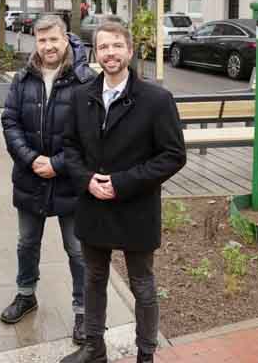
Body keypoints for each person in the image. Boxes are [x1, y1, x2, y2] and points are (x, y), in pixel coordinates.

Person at [59, 21, 186, 363]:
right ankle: (93, 347)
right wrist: (87, 180)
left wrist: (122, 183)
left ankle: (146, 355)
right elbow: (70, 147)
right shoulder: (81, 96)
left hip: (136, 206)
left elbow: (173, 155)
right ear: (95, 53)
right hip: (93, 203)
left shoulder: (156, 100)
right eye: (103, 47)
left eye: (117, 45)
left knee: (142, 285)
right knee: (94, 278)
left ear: (130, 51)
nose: (110, 53)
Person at [0, 15, 95, 345]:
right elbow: (9, 122)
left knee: (77, 249)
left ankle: (84, 310)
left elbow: (92, 136)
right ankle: (26, 294)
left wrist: (57, 164)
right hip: (30, 176)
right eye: (42, 41)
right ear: (35, 42)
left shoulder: (85, 80)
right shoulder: (23, 77)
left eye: (54, 39)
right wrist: (31, 159)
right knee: (27, 243)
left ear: (65, 38)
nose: (48, 46)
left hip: (70, 180)